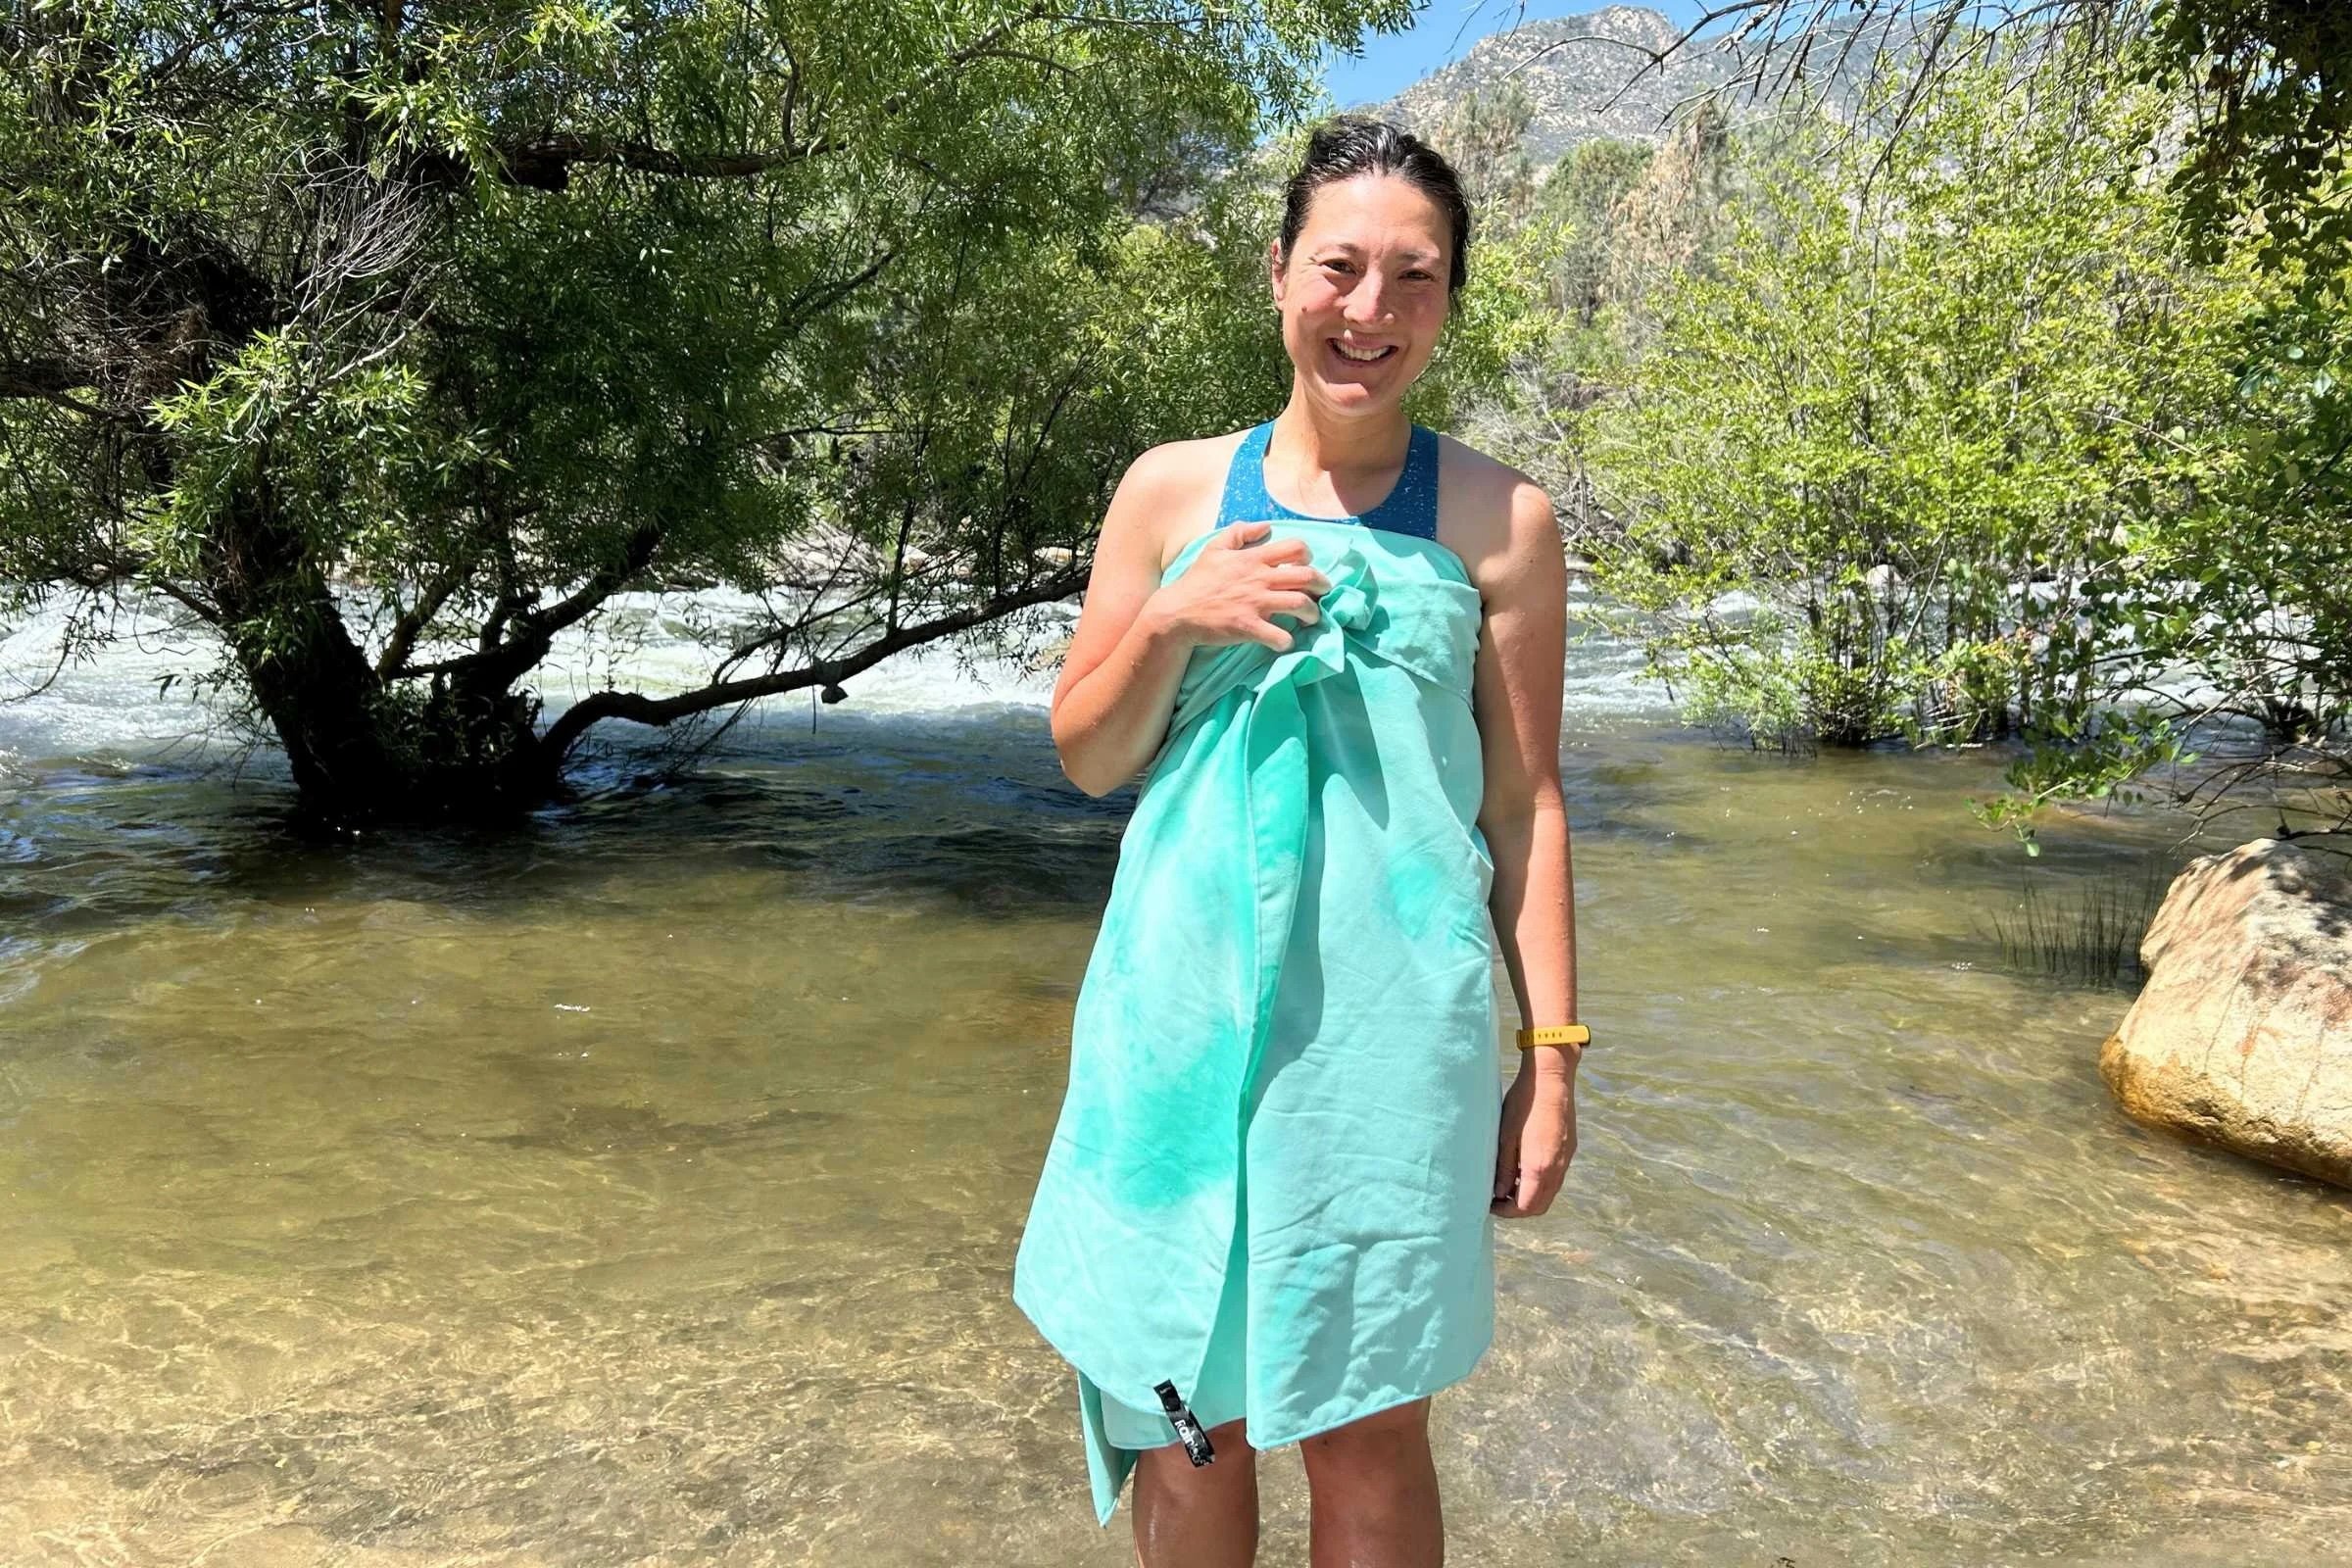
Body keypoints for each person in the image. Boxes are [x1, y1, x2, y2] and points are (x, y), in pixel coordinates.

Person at [1011, 114, 1581, 1568]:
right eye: (1340, 267)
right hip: (1179, 1013)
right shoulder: (1170, 491)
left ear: (1450, 303)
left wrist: (1552, 1062)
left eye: (1415, 277)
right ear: (1278, 274)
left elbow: (1523, 809)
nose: (1370, 310)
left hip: (1393, 1040)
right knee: (1187, 1412)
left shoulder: (1501, 522)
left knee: (1369, 1420)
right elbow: (1087, 756)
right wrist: (1169, 621)